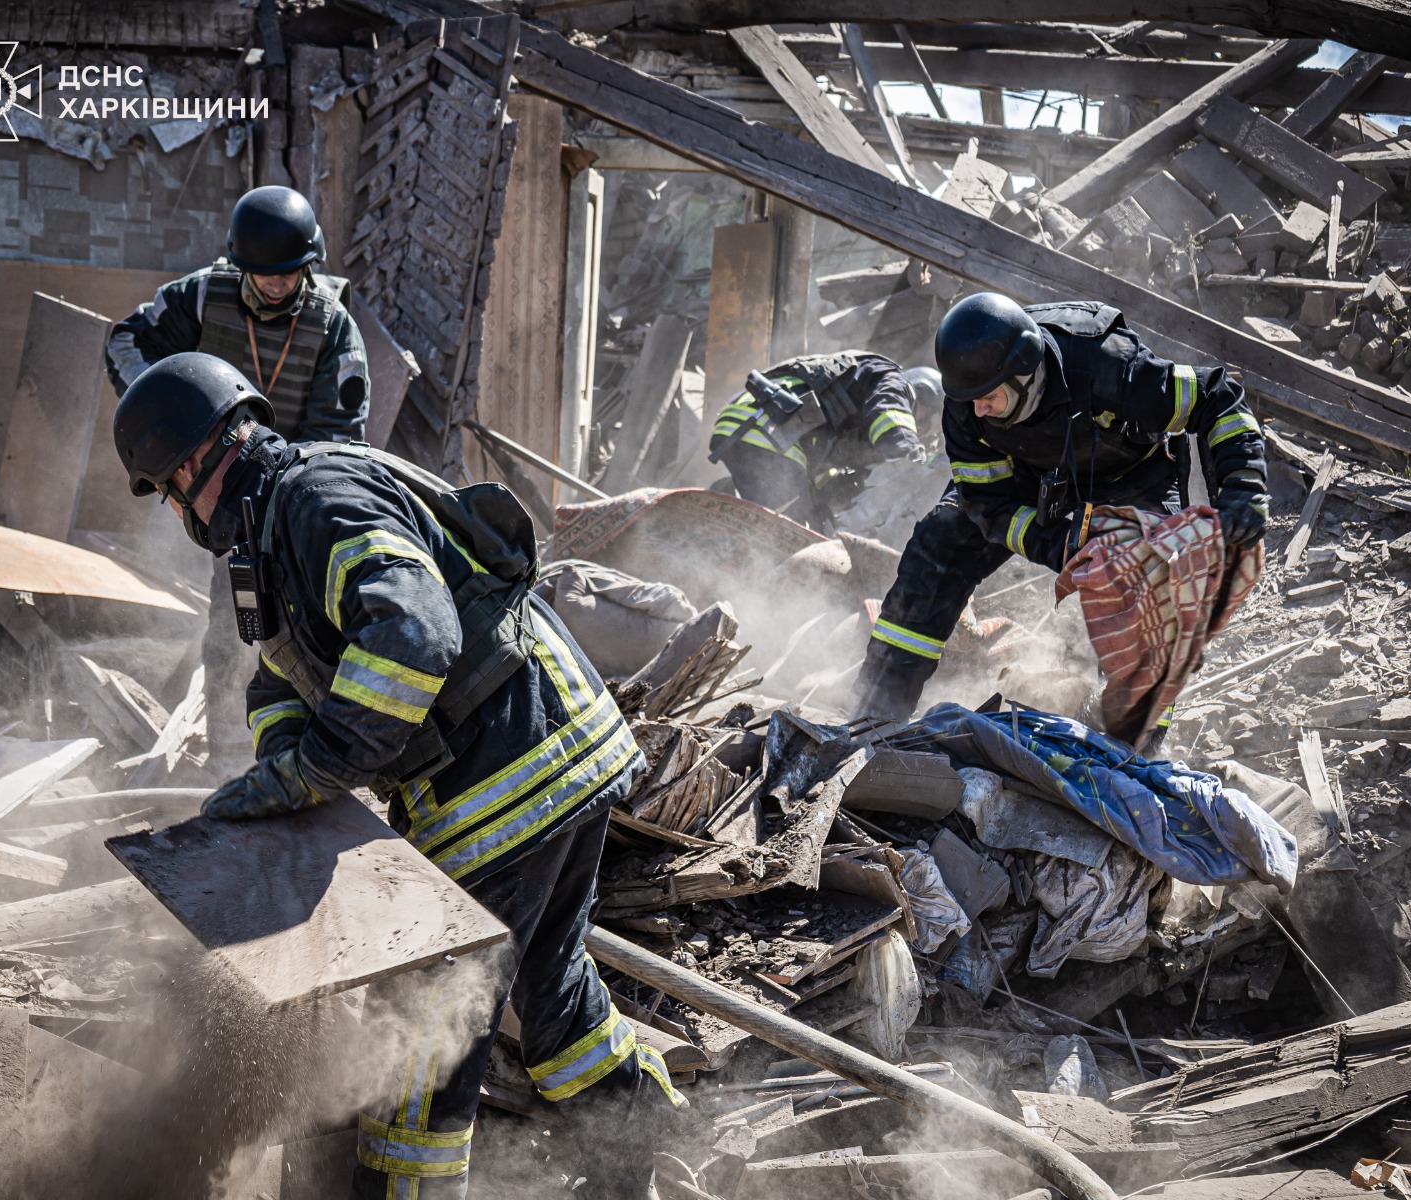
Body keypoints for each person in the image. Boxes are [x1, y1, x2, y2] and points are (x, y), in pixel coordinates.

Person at [111, 352, 685, 1199]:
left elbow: (414, 634)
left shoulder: (312, 501)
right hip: (564, 749)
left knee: (419, 1046)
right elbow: (283, 676)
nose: (174, 509)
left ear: (196, 460)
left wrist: (316, 771)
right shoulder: (276, 522)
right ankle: (645, 1150)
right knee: (553, 1001)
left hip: (507, 778)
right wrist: (283, 776)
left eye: (167, 488)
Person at [849, 292, 1269, 722]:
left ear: (1024, 372)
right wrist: (1057, 545)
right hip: (1032, 474)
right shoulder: (968, 401)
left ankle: (1134, 741)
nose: (977, 409)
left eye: (988, 398)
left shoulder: (1109, 365)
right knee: (939, 544)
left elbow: (1219, 398)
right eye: (970, 399)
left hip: (1132, 475)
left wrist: (1243, 489)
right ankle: (875, 714)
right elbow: (987, 503)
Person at [104, 184, 372, 771]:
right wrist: (164, 424)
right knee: (232, 631)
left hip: (299, 502)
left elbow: (339, 435)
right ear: (240, 264)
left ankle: (312, 763)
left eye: (289, 274)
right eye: (263, 274)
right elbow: (126, 341)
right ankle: (230, 760)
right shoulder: (203, 296)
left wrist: (292, 499)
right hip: (222, 499)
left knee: (308, 629)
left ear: (309, 263)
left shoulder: (333, 328)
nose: (276, 285)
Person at [708, 351, 943, 533]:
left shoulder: (860, 401)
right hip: (770, 430)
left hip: (746, 424)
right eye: (921, 422)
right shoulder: (895, 382)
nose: (917, 429)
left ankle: (719, 516)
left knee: (806, 518)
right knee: (794, 530)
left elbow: (827, 480)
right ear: (922, 392)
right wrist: (916, 459)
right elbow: (894, 422)